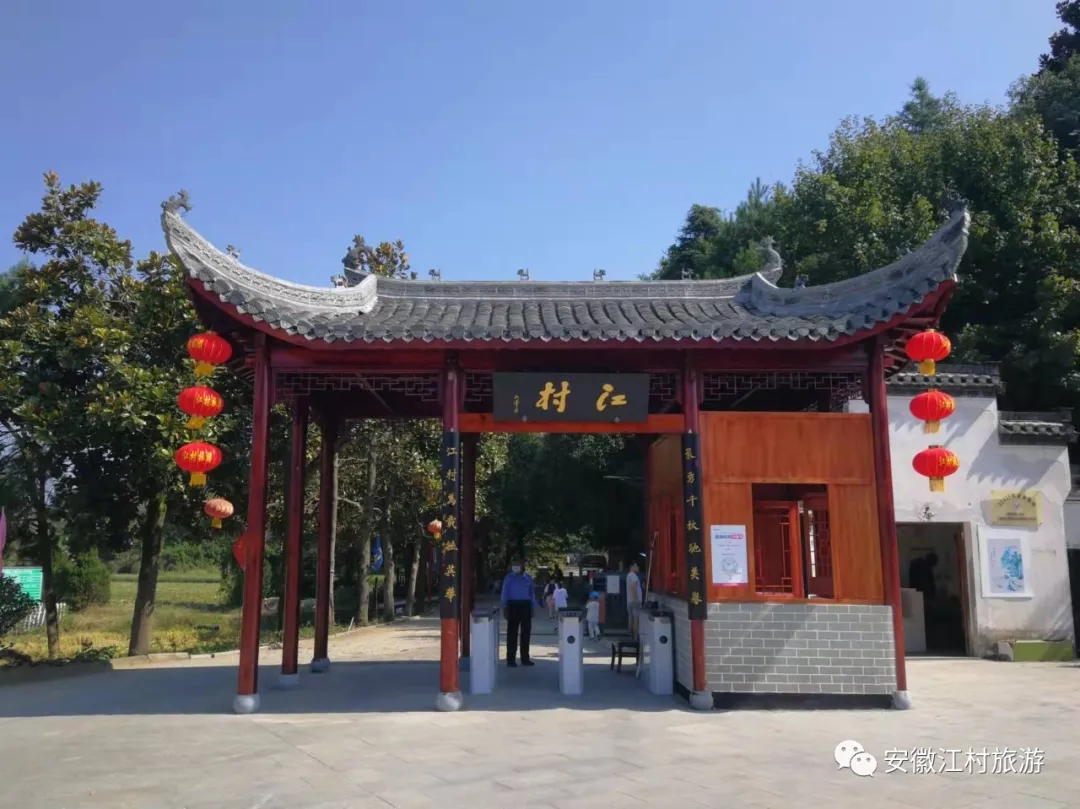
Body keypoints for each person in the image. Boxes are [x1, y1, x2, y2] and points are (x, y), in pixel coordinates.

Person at [500, 557, 535, 667]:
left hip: (525, 605)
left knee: (526, 633)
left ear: (522, 566)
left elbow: (532, 594)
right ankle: (510, 659)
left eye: (517, 564)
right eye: (513, 564)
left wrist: (532, 608)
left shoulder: (528, 578)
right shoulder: (508, 578)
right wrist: (504, 607)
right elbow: (504, 592)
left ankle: (525, 658)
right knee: (512, 633)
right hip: (513, 605)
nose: (515, 567)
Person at [626, 561, 643, 639]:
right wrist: (637, 599)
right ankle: (635, 638)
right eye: (637, 566)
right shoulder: (633, 575)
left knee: (631, 618)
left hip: (629, 601)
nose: (638, 568)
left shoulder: (628, 575)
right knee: (636, 619)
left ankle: (630, 636)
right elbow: (633, 586)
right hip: (634, 601)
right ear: (633, 566)